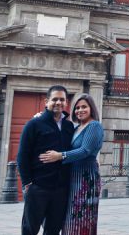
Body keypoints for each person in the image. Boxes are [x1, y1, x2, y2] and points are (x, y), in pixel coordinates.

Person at [39, 93, 104, 235]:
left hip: (86, 178)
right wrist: (43, 120)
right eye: (77, 108)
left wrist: (60, 156)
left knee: (82, 219)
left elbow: (85, 150)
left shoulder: (94, 126)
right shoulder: (76, 128)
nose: (80, 110)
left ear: (91, 108)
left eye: (84, 107)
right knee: (69, 220)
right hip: (72, 177)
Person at [16, 85, 75, 235]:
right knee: (30, 229)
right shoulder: (33, 124)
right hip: (38, 187)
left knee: (53, 230)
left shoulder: (69, 126)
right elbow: (23, 155)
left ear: (66, 102)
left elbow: (76, 150)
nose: (58, 102)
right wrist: (28, 183)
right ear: (46, 101)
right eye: (54, 99)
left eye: (62, 99)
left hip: (61, 189)